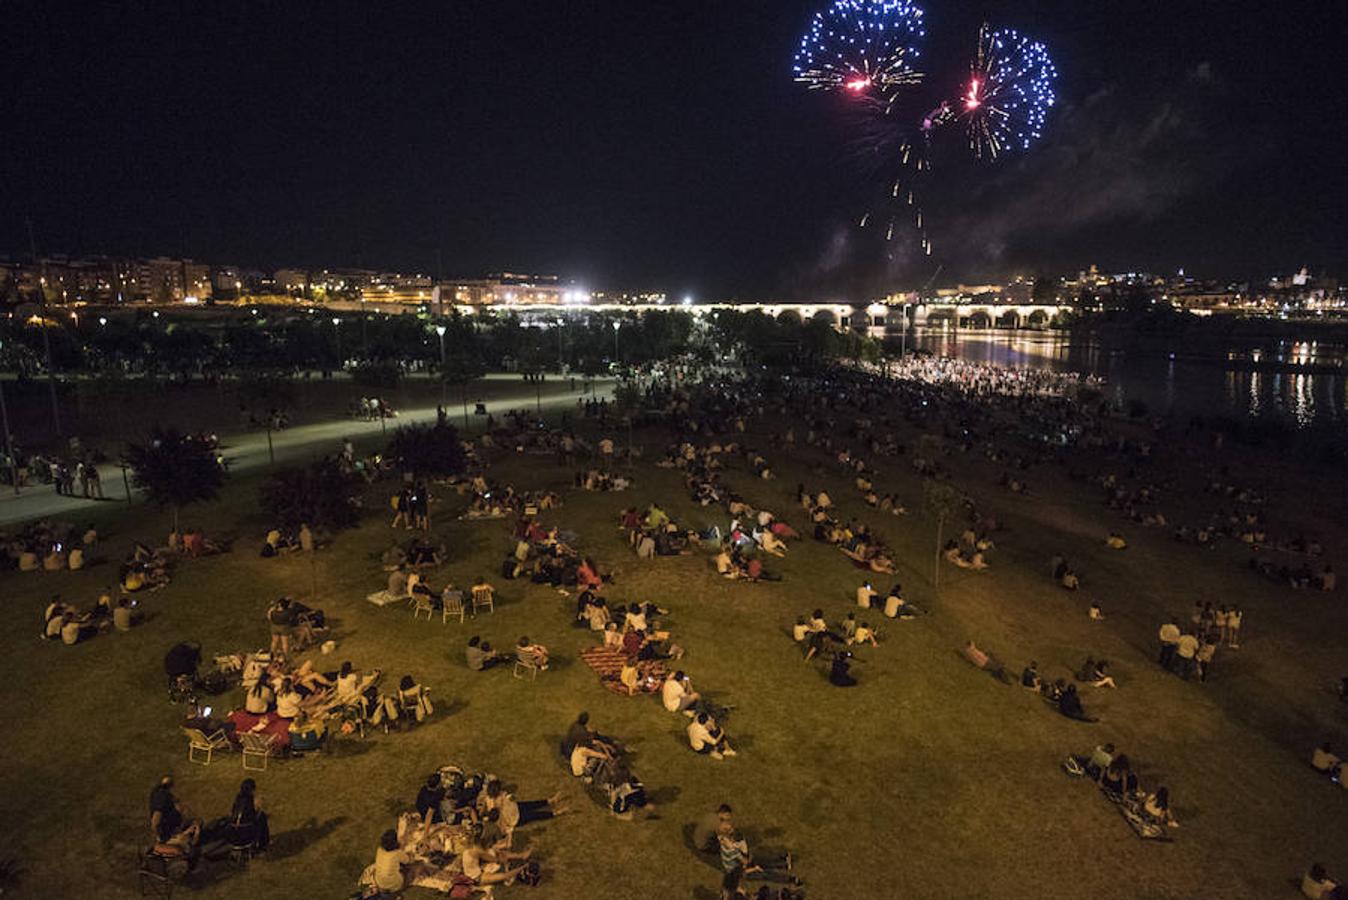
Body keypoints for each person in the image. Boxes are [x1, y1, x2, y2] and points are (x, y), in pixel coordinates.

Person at [149, 776, 194, 844]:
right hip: (168, 835)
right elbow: (156, 821)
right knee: (189, 841)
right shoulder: (162, 798)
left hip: (170, 831)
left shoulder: (162, 795)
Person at [229, 778, 270, 851]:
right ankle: (263, 844)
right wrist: (259, 811)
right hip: (246, 837)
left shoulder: (237, 799)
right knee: (262, 818)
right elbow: (254, 819)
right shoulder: (250, 801)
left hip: (232, 837)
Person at [373, 828, 410, 894]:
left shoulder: (379, 849)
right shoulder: (397, 853)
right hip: (394, 884)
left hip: (379, 882)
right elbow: (407, 860)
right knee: (409, 870)